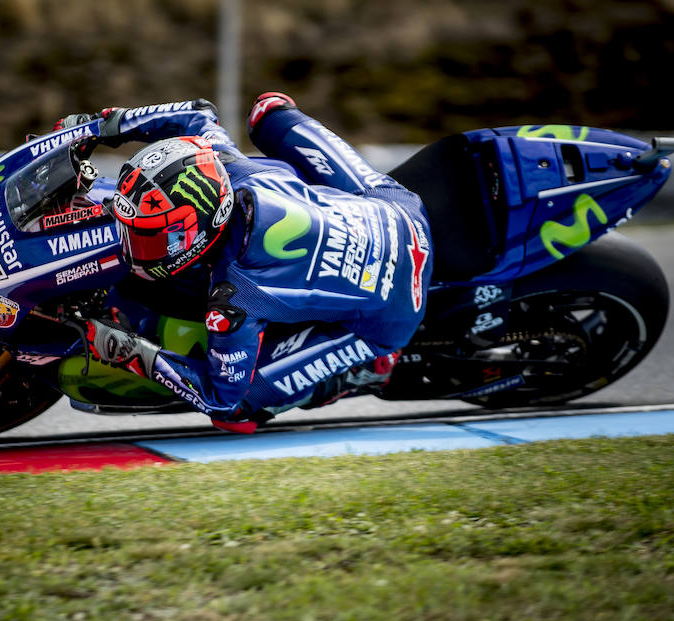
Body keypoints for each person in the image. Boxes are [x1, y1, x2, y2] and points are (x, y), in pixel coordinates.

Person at [55, 93, 432, 433]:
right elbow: (197, 113)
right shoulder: (226, 164)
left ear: (206, 227)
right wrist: (102, 126)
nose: (136, 246)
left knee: (238, 413)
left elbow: (220, 396)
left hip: (392, 312)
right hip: (396, 206)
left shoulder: (232, 296)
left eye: (156, 236)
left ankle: (365, 370)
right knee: (270, 109)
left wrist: (135, 352)